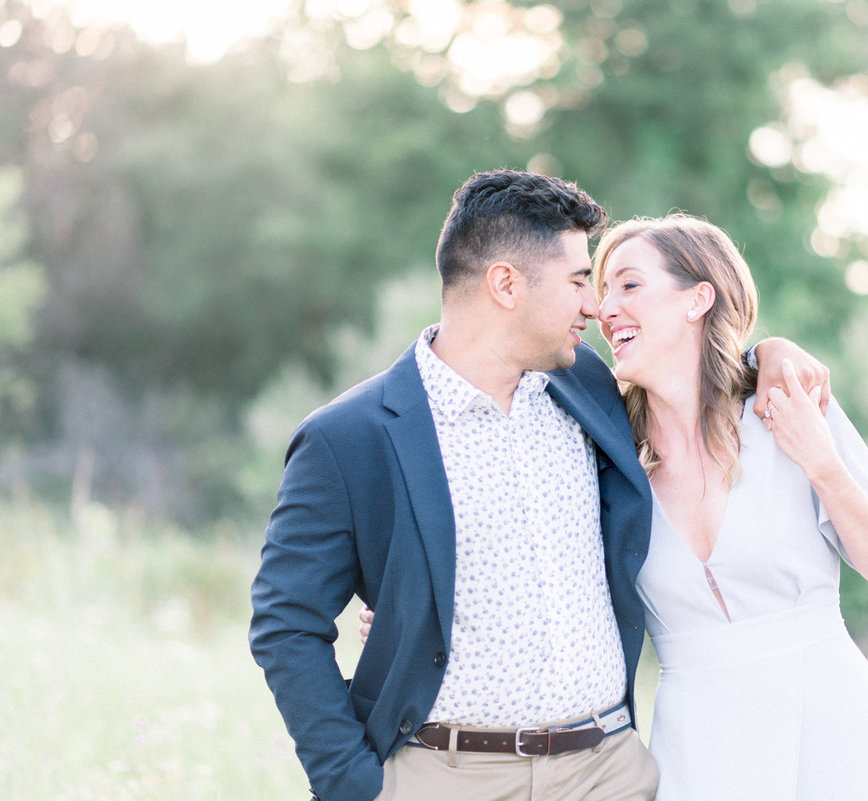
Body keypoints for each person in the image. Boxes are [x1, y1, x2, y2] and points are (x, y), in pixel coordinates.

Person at [249, 170, 830, 801]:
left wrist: (768, 353)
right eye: (580, 280)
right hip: (444, 776)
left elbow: (691, 373)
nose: (595, 305)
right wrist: (356, 785)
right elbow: (286, 622)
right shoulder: (349, 438)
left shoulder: (589, 387)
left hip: (606, 773)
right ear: (505, 284)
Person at [593, 213, 868, 800]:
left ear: (698, 300)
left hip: (829, 726)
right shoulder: (609, 457)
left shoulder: (787, 405)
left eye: (628, 285)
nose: (604, 308)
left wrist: (821, 462)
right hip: (697, 745)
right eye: (601, 291)